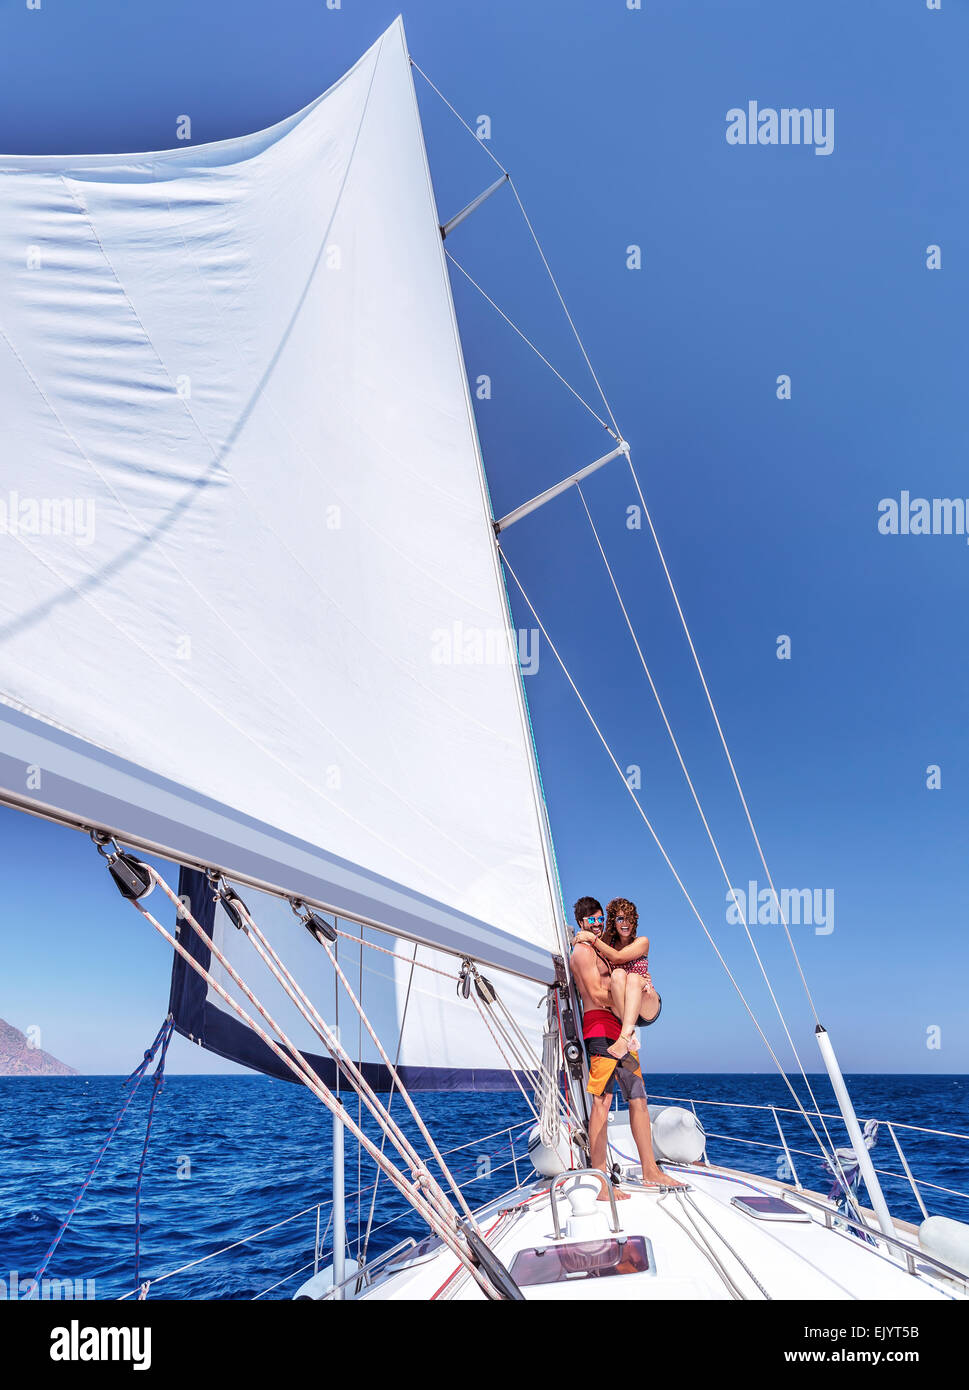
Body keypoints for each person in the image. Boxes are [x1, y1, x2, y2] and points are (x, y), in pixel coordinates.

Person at [569, 895, 683, 1194]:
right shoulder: (582, 952)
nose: (598, 924)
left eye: (600, 919)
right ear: (582, 922)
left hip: (621, 1032)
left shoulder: (603, 948)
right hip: (600, 1030)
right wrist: (627, 999)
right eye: (592, 920)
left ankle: (650, 1170)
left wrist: (636, 995)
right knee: (602, 1103)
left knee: (638, 1097)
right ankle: (600, 1180)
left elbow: (621, 964)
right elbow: (595, 991)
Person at [574, 897, 658, 1061]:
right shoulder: (606, 941)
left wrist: (592, 938)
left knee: (632, 978)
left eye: (629, 919)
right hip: (624, 1010)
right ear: (614, 921)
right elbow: (588, 949)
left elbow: (618, 957)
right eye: (620, 918)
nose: (625, 923)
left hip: (645, 1000)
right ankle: (629, 1032)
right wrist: (577, 940)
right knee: (618, 974)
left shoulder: (642, 942)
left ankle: (626, 1035)